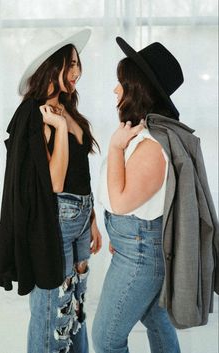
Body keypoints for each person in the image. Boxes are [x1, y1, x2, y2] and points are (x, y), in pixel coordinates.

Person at [0, 29, 102, 353]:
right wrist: (59, 128)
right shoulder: (38, 115)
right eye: (69, 65)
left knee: (75, 306)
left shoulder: (66, 108)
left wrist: (91, 218)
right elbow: (54, 182)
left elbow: (80, 173)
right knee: (51, 309)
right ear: (51, 68)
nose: (77, 72)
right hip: (55, 221)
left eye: (78, 64)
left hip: (80, 217)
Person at [91, 38, 186, 353]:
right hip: (135, 247)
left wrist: (117, 146)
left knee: (106, 339)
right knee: (156, 321)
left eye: (122, 83)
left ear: (138, 88)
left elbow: (120, 202)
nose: (115, 90)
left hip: (140, 255)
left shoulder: (150, 145)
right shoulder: (141, 133)